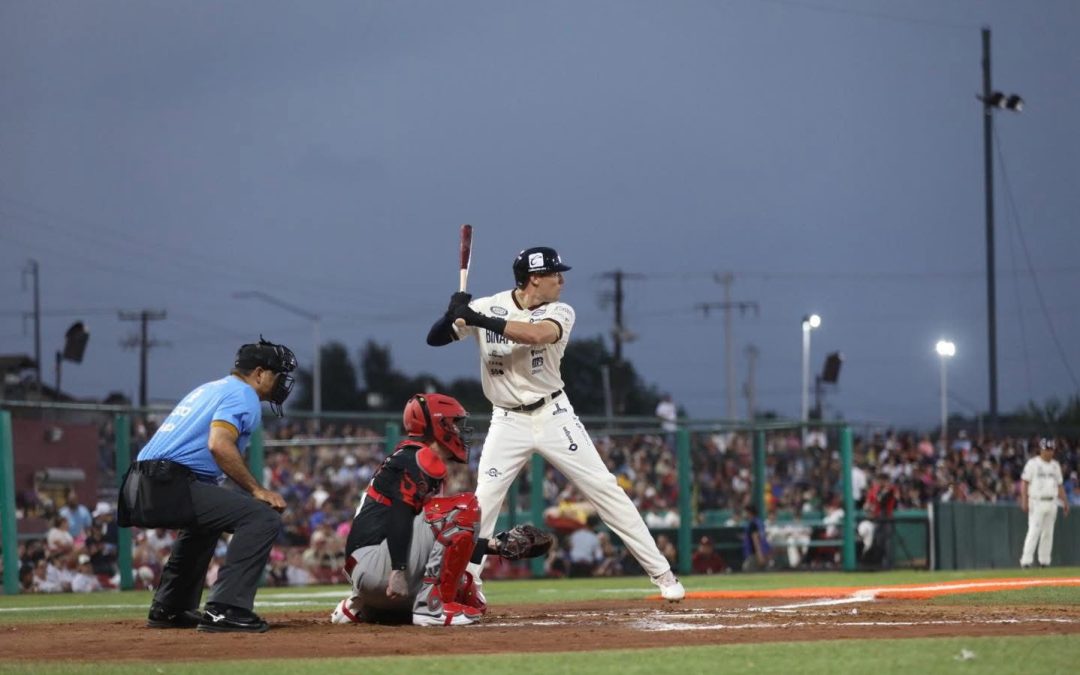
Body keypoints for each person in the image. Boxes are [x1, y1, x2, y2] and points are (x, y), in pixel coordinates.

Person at [426, 245, 685, 602]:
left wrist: (475, 318)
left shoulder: (560, 311)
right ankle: (466, 583)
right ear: (534, 279)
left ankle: (663, 574)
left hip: (552, 413)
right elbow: (435, 339)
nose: (561, 280)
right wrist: (452, 312)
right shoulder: (487, 305)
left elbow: (534, 336)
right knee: (483, 503)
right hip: (506, 419)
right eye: (554, 274)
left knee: (605, 489)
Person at [118, 337, 297, 633]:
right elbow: (219, 444)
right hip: (164, 481)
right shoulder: (244, 395)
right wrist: (257, 490)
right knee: (261, 517)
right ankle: (226, 609)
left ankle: (170, 608)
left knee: (207, 522)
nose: (281, 383)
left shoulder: (211, 388)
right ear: (260, 373)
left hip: (138, 483)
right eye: (278, 375)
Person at [330, 393, 551, 626]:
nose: (460, 430)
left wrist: (495, 546)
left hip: (368, 571)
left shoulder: (409, 456)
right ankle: (431, 609)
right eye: (455, 423)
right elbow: (399, 515)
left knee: (467, 591)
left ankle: (364, 609)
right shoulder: (421, 457)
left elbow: (434, 539)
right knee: (465, 505)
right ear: (439, 424)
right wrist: (398, 570)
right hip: (377, 566)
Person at [1019, 438, 1069, 568]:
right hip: (1036, 501)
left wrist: (1065, 502)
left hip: (1052, 502)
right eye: (1047, 449)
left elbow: (1059, 485)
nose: (1049, 452)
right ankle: (1026, 561)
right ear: (1041, 450)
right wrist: (1024, 500)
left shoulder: (1055, 465)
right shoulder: (1033, 464)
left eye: (1051, 449)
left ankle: (1044, 561)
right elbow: (1024, 482)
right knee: (1034, 531)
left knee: (1048, 532)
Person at [741, 504, 770, 572]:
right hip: (763, 552)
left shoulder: (752, 524)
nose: (744, 514)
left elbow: (756, 540)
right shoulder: (759, 522)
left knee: (747, 570)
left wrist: (760, 555)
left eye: (745, 512)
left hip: (755, 554)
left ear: (749, 512)